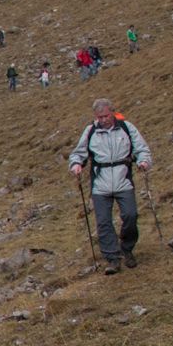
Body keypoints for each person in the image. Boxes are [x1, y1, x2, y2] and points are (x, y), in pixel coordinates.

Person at [68, 98, 153, 275]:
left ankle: (127, 248)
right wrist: (76, 164)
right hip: (100, 183)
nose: (104, 120)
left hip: (123, 180)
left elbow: (141, 148)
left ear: (112, 112)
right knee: (104, 222)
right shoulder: (90, 131)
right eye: (100, 117)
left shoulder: (126, 128)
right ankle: (112, 259)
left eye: (106, 116)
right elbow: (79, 153)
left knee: (130, 215)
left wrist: (143, 161)